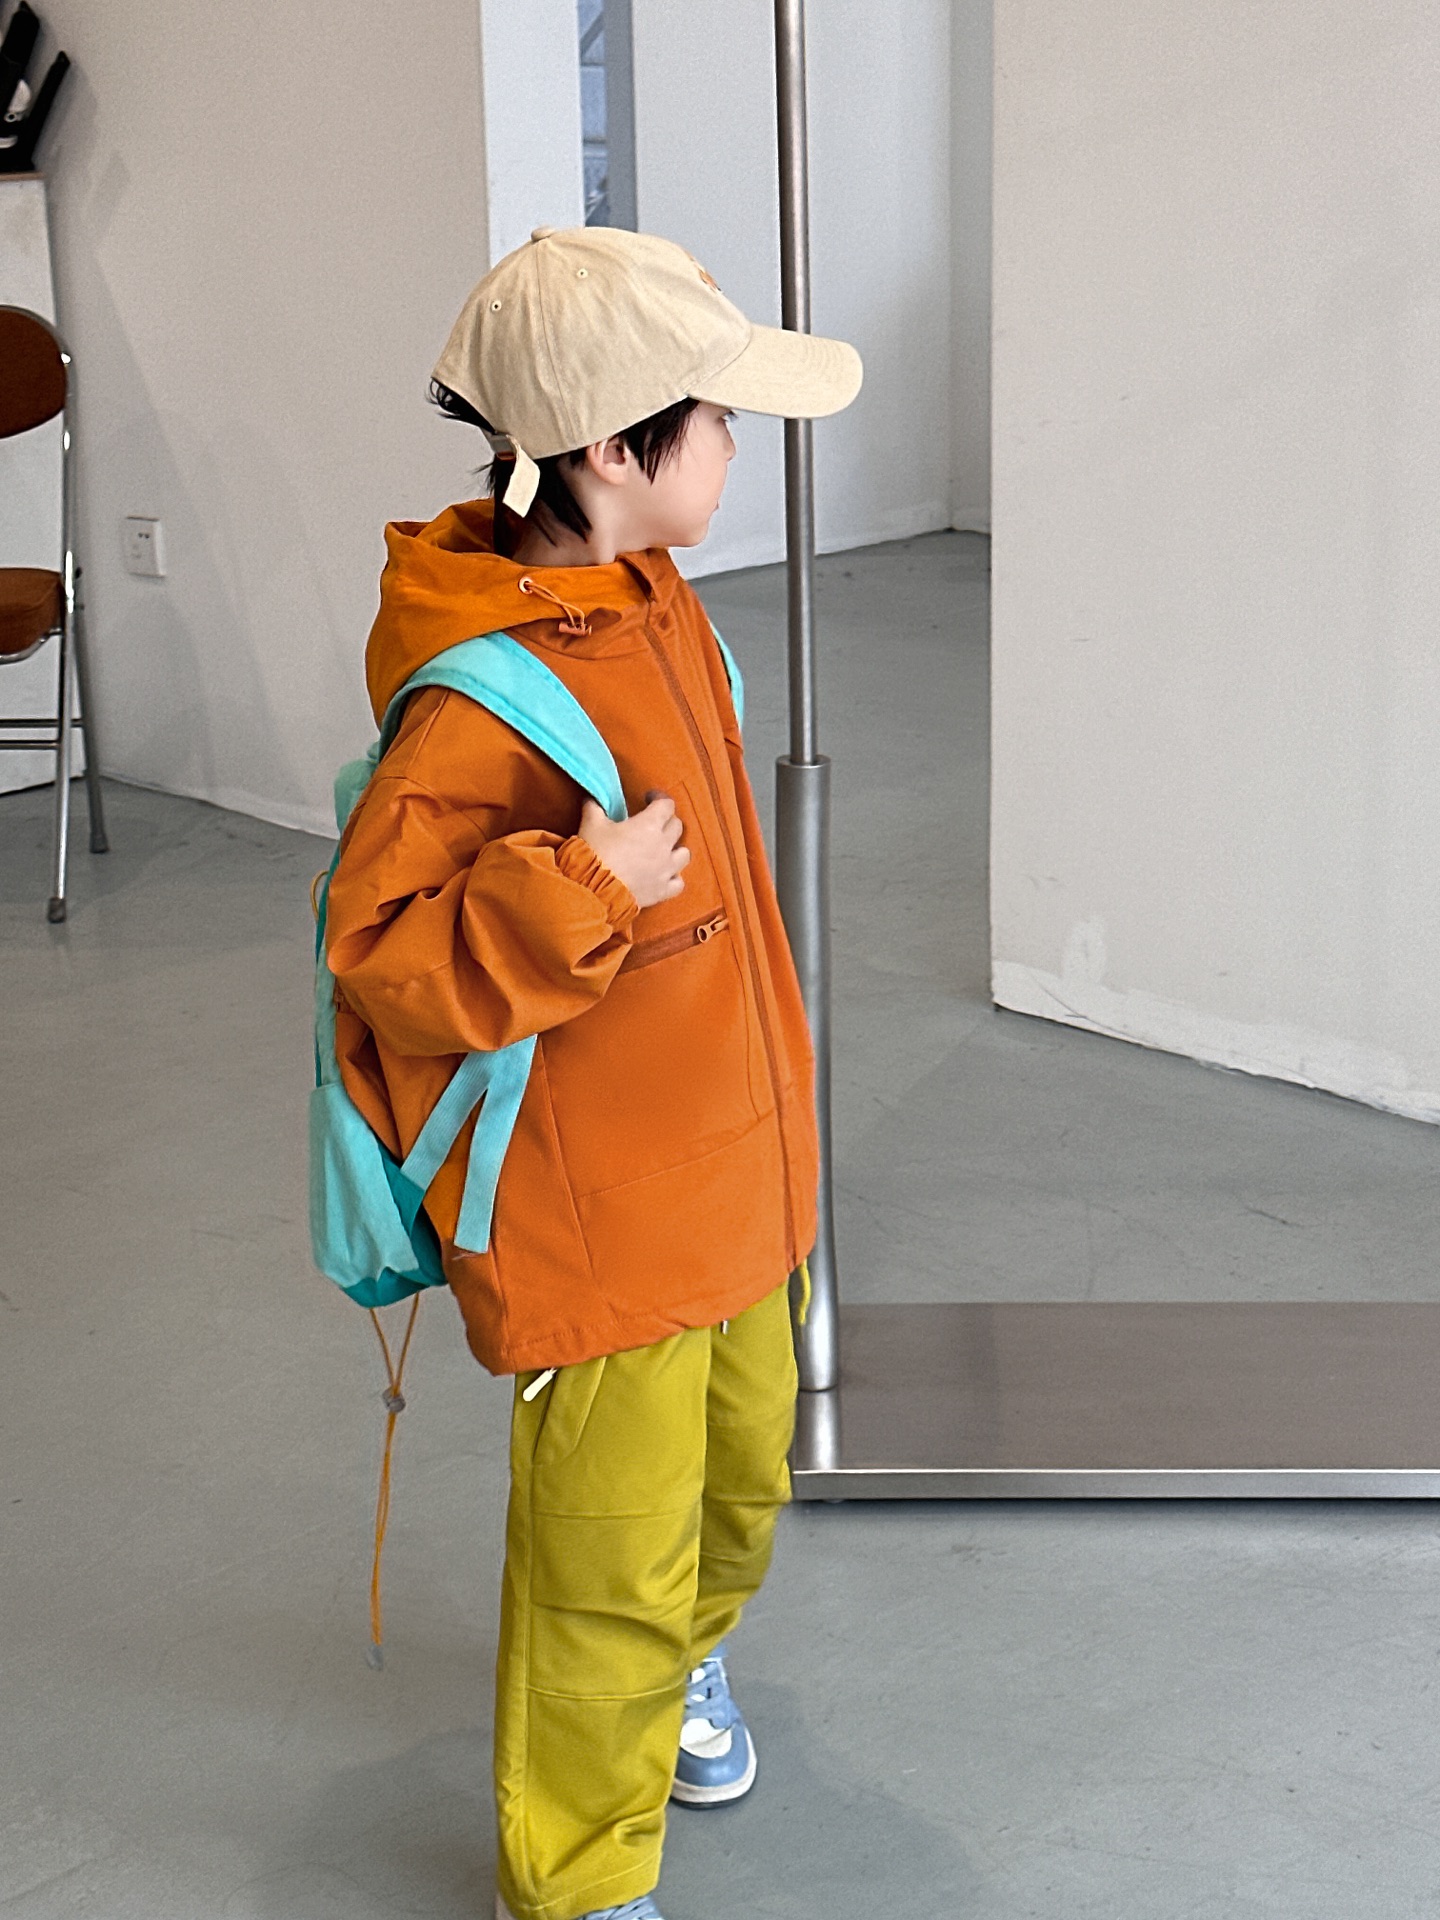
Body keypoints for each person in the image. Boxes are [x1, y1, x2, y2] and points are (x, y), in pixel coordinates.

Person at [323, 224, 862, 1920]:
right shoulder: (478, 698)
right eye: (716, 418)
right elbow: (381, 954)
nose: (735, 445)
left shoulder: (651, 598)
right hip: (605, 1221)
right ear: (616, 451)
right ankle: (574, 1877)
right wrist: (585, 889)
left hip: (742, 1182)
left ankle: (683, 1664)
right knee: (602, 1568)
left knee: (741, 1491)